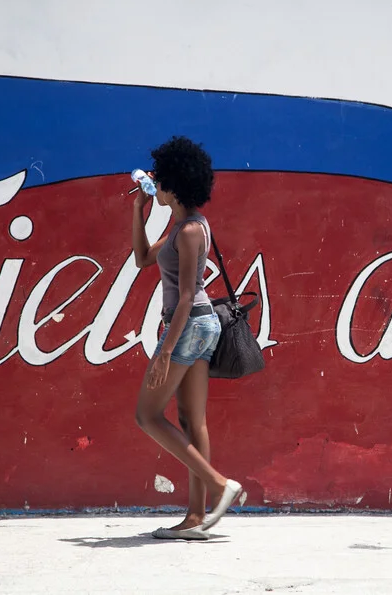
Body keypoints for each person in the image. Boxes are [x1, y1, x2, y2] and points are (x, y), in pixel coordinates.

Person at [131, 136, 243, 540]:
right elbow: (143, 258)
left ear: (175, 185)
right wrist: (138, 210)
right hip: (198, 324)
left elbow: (182, 301)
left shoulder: (192, 230)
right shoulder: (182, 226)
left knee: (147, 415)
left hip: (190, 324)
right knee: (191, 421)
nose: (154, 186)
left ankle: (217, 485)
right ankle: (196, 520)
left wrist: (163, 352)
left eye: (159, 182)